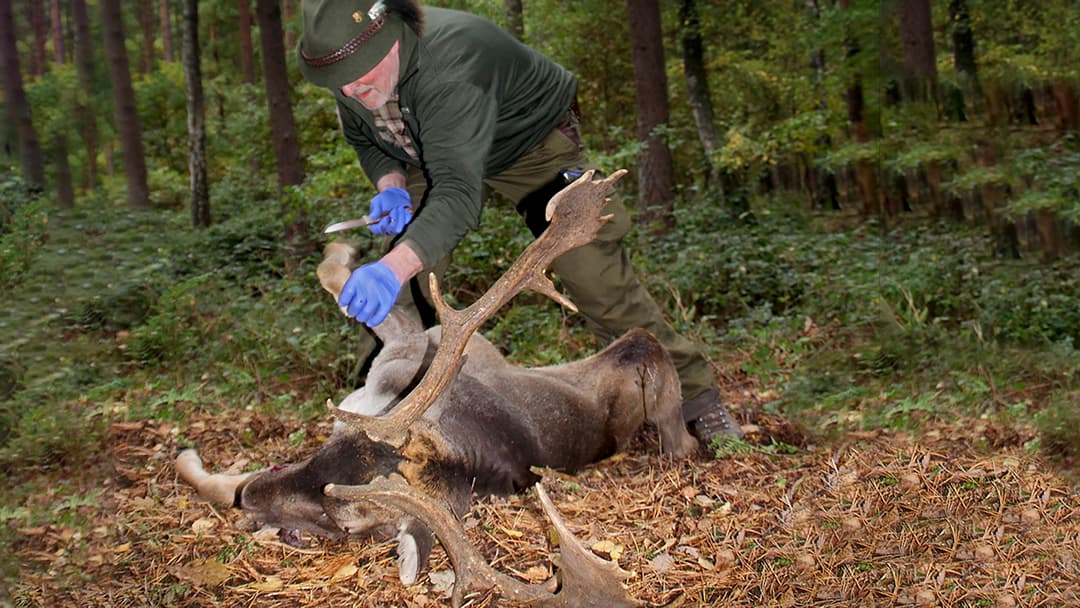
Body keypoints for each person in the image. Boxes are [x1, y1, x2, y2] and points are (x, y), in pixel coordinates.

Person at [297, 0, 742, 447]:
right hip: (431, 150)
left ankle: (696, 399)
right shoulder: (347, 67)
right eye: (341, 81)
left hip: (529, 145)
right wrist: (390, 182)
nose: (351, 88)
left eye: (361, 75)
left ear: (390, 35)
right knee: (407, 283)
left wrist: (392, 267)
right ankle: (389, 410)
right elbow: (364, 136)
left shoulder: (452, 63)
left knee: (592, 272)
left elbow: (458, 194)